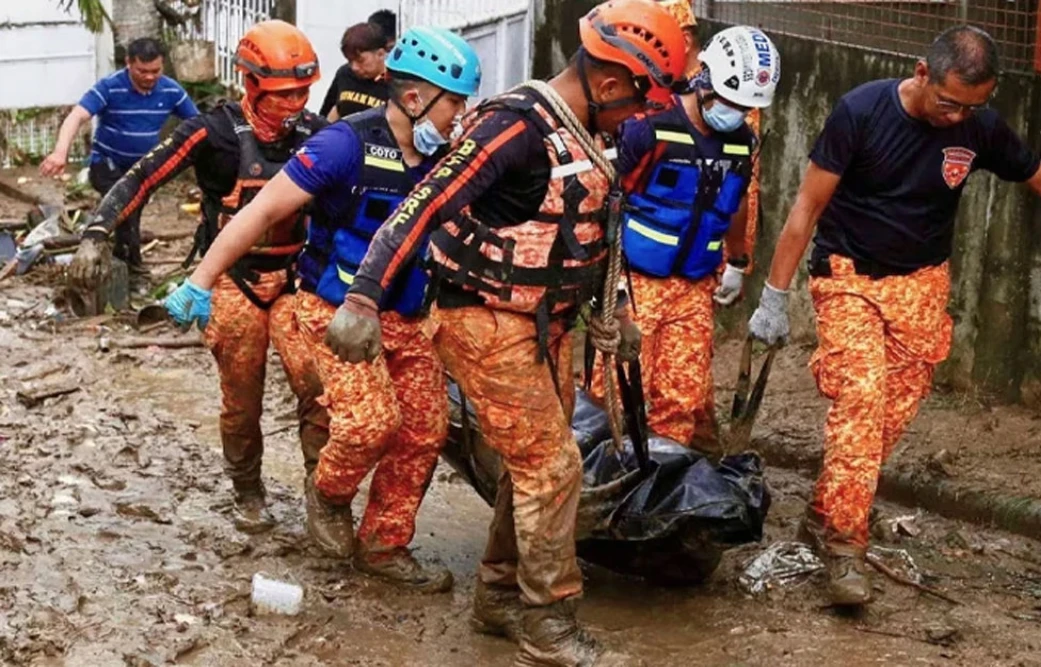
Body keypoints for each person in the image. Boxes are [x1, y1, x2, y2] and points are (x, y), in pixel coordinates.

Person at [746, 26, 1041, 608]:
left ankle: (826, 512)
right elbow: (807, 205)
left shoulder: (977, 127)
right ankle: (844, 547)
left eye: (974, 106)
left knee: (890, 416)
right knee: (861, 401)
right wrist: (773, 295)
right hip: (849, 279)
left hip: (922, 283)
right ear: (922, 73)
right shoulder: (860, 111)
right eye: (949, 103)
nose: (957, 117)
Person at [323, 1, 685, 662]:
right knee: (553, 463)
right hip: (484, 319)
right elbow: (425, 200)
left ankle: (498, 596)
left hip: (541, 321)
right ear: (608, 84)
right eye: (639, 99)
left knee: (533, 462)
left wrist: (621, 309)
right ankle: (548, 622)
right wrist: (365, 295)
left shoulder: (588, 132)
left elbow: (595, 225)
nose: (642, 115)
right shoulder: (513, 126)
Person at [169, 26, 482, 588]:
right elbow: (260, 212)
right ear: (415, 99)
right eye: (454, 103)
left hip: (408, 316)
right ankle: (327, 495)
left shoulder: (451, 156)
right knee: (369, 424)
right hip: (334, 311)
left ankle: (384, 545)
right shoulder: (343, 145)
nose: (460, 116)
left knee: (425, 430)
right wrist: (201, 279)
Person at [71, 20, 329, 535]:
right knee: (241, 396)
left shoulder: (318, 135)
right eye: (283, 93)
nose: (295, 102)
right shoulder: (212, 133)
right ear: (251, 83)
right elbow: (145, 175)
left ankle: (322, 494)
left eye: (303, 91)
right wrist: (97, 232)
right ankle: (247, 488)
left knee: (319, 388)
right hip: (232, 277)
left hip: (297, 277)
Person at [598, 26, 778, 450]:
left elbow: (735, 203)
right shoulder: (647, 129)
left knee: (681, 399)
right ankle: (602, 489)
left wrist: (737, 262)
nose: (735, 112)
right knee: (616, 393)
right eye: (730, 101)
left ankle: (658, 496)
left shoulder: (740, 143)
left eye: (745, 106)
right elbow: (602, 198)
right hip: (635, 281)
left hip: (695, 287)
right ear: (705, 79)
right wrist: (608, 281)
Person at [41, 38, 199, 277]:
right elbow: (76, 116)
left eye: (155, 71)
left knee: (127, 212)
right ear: (128, 63)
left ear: (162, 65)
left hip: (143, 170)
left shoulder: (170, 90)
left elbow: (198, 124)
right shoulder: (110, 87)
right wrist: (60, 152)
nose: (149, 77)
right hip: (106, 164)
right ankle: (130, 266)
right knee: (126, 208)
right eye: (142, 71)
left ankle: (117, 258)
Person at [318, 21, 391, 121]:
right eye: (350, 61)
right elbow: (326, 114)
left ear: (380, 54)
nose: (354, 67)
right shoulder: (344, 74)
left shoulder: (395, 84)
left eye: (360, 60)